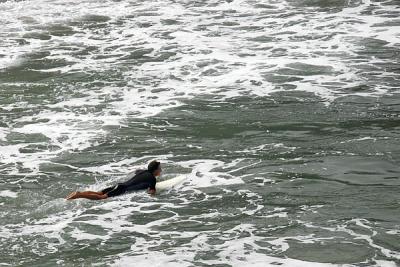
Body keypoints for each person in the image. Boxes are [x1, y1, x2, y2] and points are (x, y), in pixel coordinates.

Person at [66, 160, 161, 200]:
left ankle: (79, 193)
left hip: (119, 185)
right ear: (156, 170)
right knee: (101, 198)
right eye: (159, 168)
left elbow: (136, 171)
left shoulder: (143, 171)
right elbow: (151, 192)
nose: (161, 170)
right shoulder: (152, 179)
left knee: (99, 193)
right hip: (122, 189)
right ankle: (79, 195)